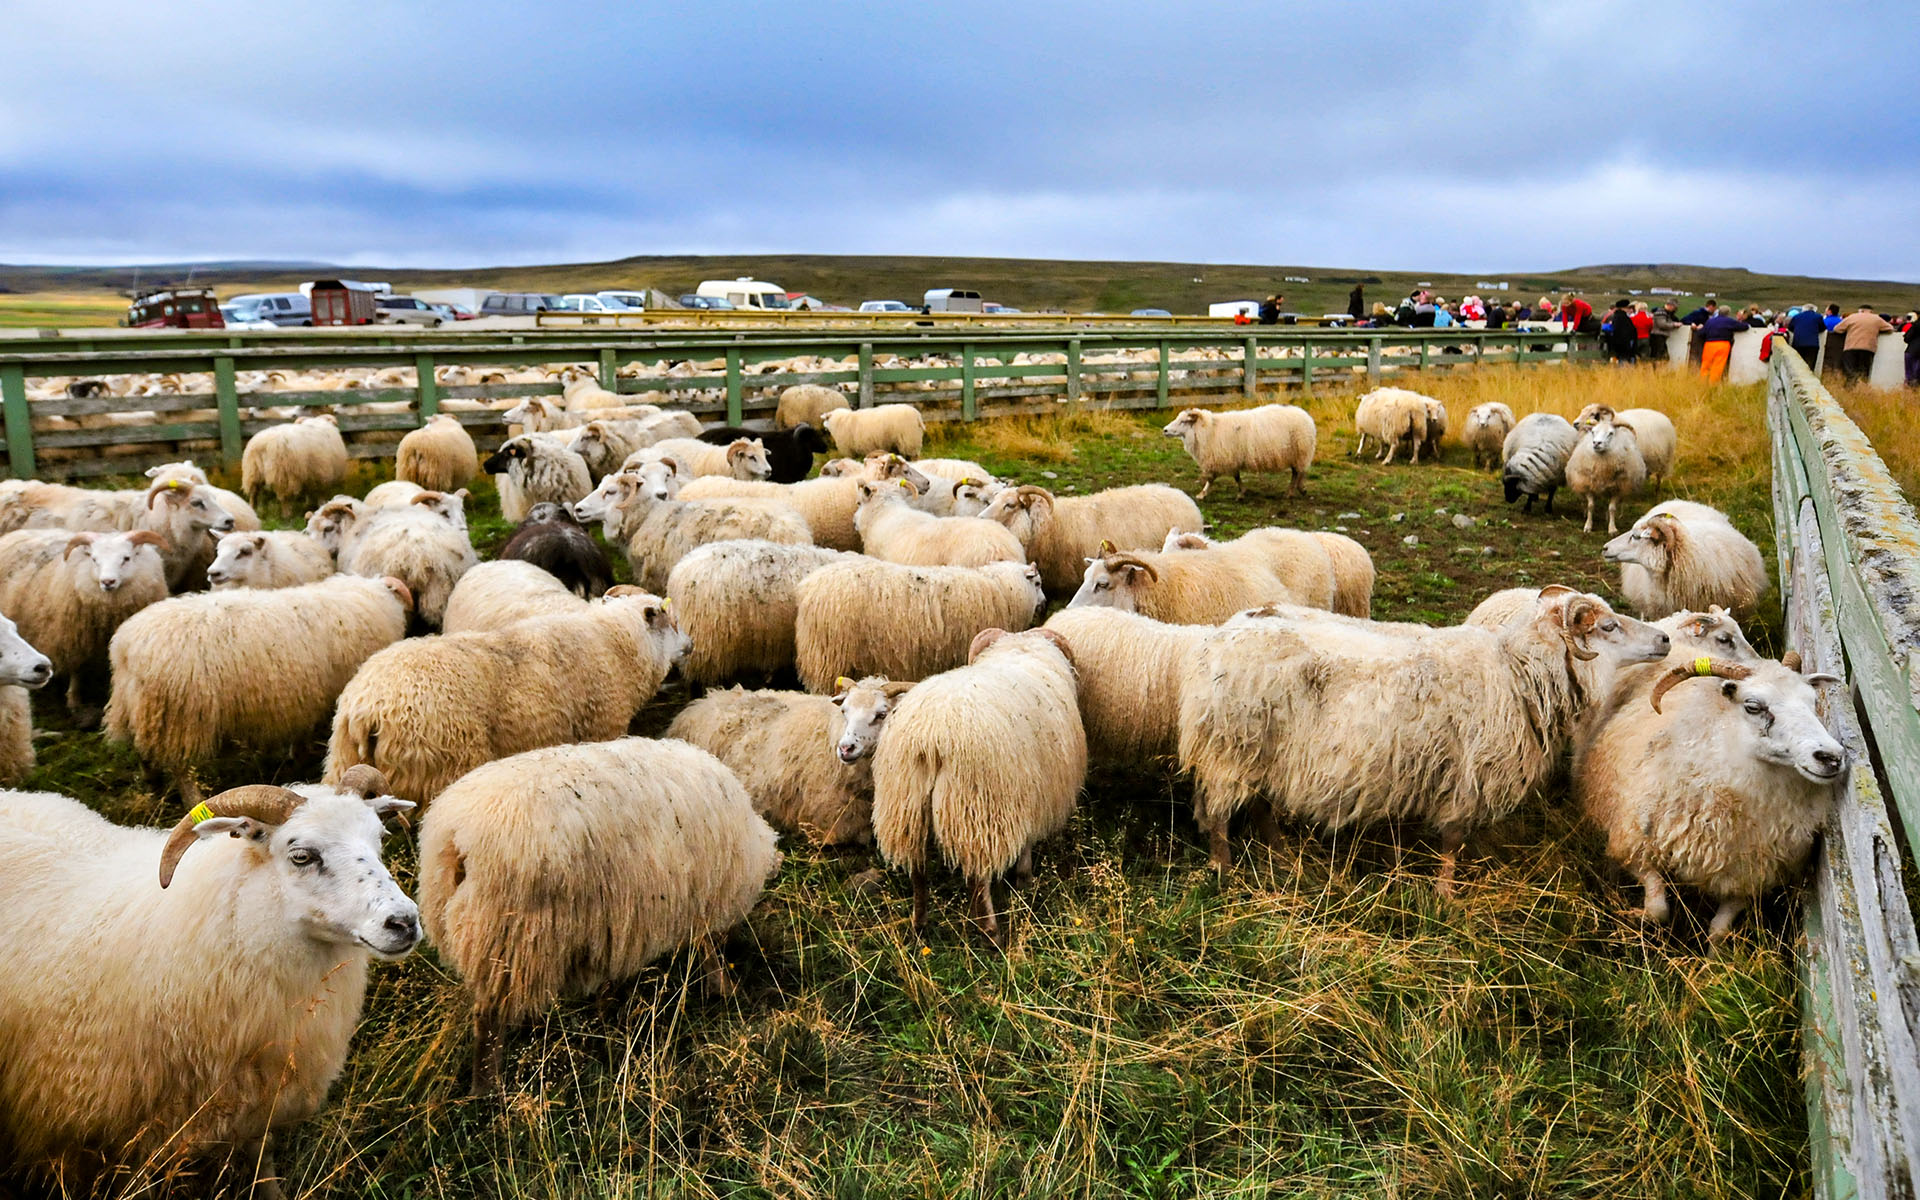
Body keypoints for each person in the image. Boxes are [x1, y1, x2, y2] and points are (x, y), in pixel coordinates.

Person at [1834, 304, 1895, 382]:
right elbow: (1890, 328)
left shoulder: (1852, 317)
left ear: (1860, 310)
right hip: (1868, 348)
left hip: (1851, 347)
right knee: (1864, 371)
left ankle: (1850, 389)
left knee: (1850, 371)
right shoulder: (1876, 319)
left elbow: (1837, 329)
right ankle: (1862, 389)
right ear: (1871, 311)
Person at [1698, 306, 1747, 383]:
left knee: (1706, 365)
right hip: (1723, 344)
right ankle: (1713, 384)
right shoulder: (1729, 321)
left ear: (1719, 312)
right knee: (1718, 366)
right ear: (1728, 313)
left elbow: (1701, 333)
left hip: (1709, 344)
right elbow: (1744, 327)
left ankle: (1702, 382)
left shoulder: (1710, 321)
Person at [1785, 302, 1826, 368]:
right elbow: (1823, 327)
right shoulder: (1818, 317)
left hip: (1798, 343)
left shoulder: (1796, 317)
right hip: (1812, 344)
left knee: (1797, 365)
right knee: (1810, 365)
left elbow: (1790, 327)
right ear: (1814, 309)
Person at [1604, 299, 1638, 364]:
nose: (1628, 309)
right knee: (1625, 360)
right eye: (1627, 307)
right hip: (1624, 343)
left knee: (1623, 359)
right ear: (1623, 308)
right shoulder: (1623, 317)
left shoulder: (1617, 316)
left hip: (1621, 343)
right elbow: (1625, 330)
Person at [1904, 312, 1920, 388]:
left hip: (1912, 351)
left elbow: (1907, 338)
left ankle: (1909, 392)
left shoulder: (1916, 325)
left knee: (1910, 375)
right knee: (1917, 375)